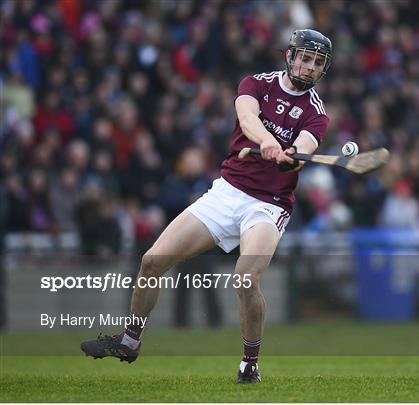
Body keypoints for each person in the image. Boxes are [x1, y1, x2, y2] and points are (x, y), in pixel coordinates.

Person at [81, 29, 333, 384]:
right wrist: (269, 141)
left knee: (245, 279)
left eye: (318, 63)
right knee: (152, 261)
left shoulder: (317, 113)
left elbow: (302, 153)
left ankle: (249, 364)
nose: (310, 68)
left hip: (268, 205)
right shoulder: (256, 83)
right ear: (290, 56)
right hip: (227, 192)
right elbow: (248, 120)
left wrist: (290, 158)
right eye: (305, 58)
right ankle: (129, 341)